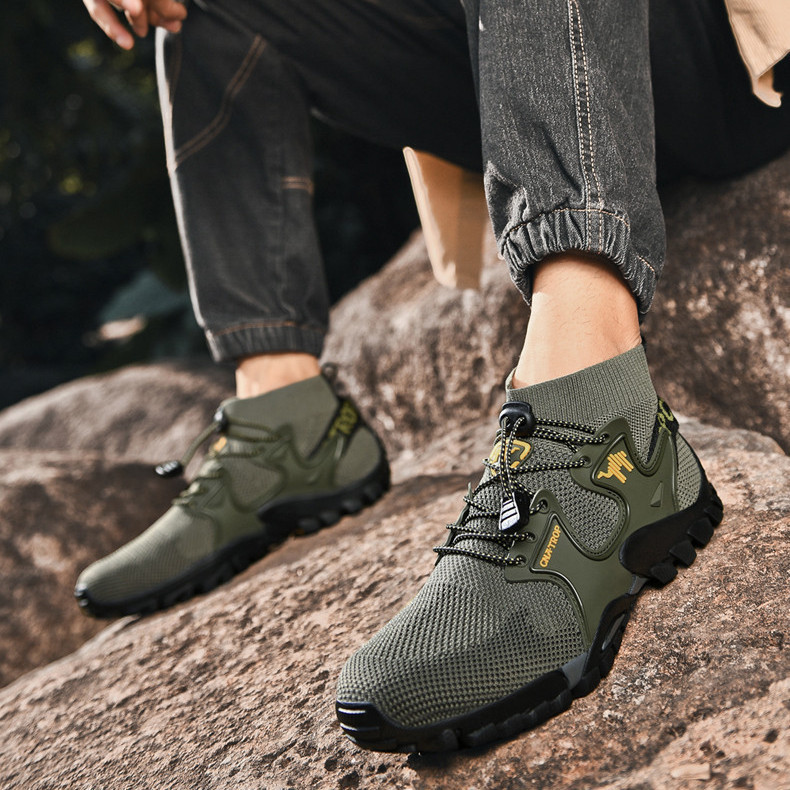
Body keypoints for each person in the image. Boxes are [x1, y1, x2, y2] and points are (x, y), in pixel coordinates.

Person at [79, 0, 789, 752]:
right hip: (527, 57)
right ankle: (285, 422)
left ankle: (598, 407)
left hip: (724, 59)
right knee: (201, 10)